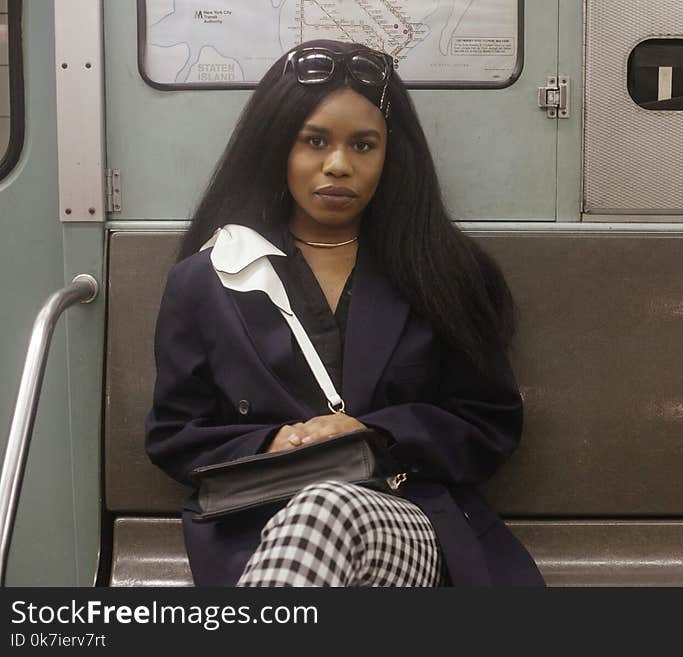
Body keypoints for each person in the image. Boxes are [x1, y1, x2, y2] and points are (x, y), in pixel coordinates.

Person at [145, 39, 544, 587]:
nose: (338, 165)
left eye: (363, 145)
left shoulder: (443, 271)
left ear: (390, 155)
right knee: (315, 518)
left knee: (326, 508)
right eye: (314, 142)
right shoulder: (208, 278)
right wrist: (272, 444)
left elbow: (487, 423)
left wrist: (372, 432)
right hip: (259, 527)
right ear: (278, 148)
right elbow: (175, 435)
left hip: (407, 520)